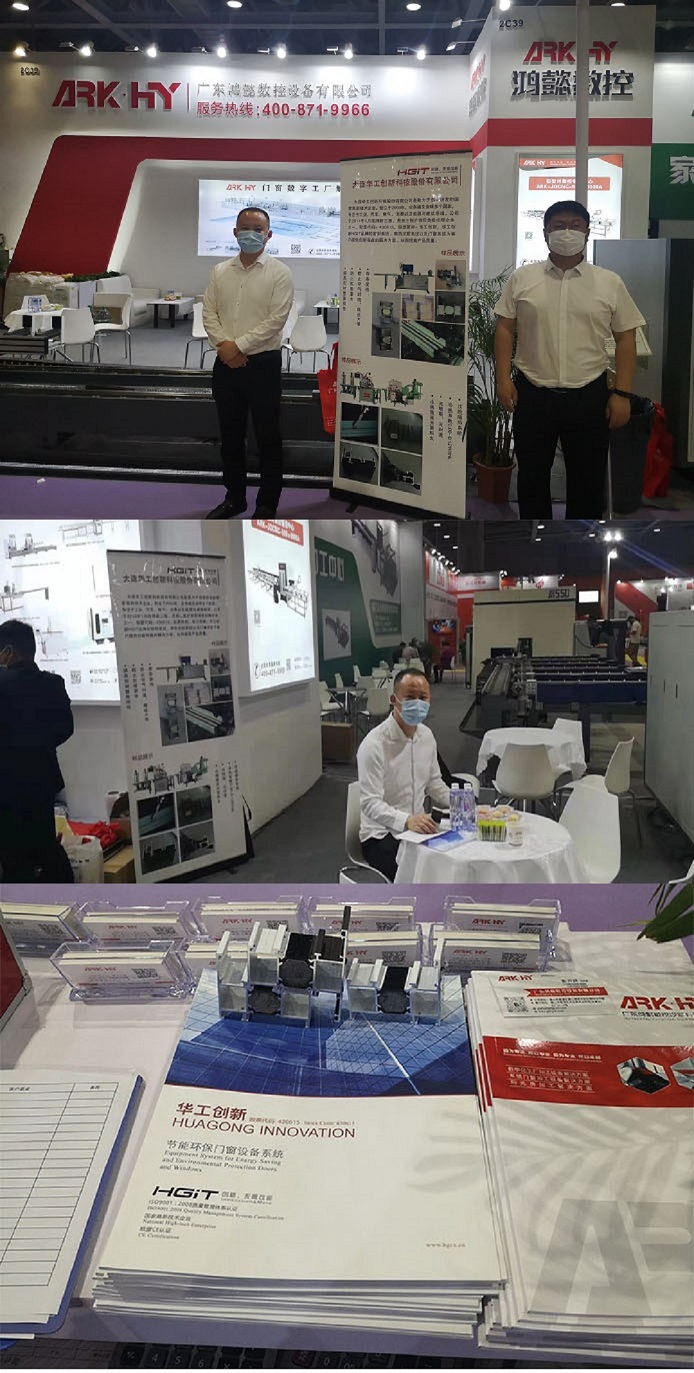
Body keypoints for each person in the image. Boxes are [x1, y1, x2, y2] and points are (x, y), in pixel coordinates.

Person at [494, 200, 646, 520]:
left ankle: (583, 542)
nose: (567, 232)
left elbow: (626, 338)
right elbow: (505, 327)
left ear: (587, 233)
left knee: (587, 480)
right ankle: (534, 538)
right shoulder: (523, 278)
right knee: (532, 475)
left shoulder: (609, 282)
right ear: (545, 233)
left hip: (588, 394)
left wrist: (622, 393)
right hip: (533, 392)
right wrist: (503, 379)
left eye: (575, 226)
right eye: (559, 226)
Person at [203, 207, 294, 519]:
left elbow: (276, 320)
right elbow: (209, 313)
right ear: (234, 232)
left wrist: (237, 346)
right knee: (230, 437)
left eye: (258, 229)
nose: (251, 234)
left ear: (269, 235)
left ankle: (267, 503)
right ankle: (235, 498)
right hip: (225, 365)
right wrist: (225, 347)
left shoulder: (280, 273)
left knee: (268, 437)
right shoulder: (220, 271)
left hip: (263, 365)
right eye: (245, 228)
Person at [356, 669, 450, 881]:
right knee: (420, 875)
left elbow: (435, 784)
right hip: (380, 835)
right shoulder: (374, 744)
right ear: (394, 700)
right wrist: (406, 820)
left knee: (452, 860)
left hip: (417, 830)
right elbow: (370, 803)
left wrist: (464, 804)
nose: (417, 703)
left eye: (423, 697)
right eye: (409, 698)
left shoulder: (426, 736)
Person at [0, 619, 75, 882]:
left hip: (6, 788)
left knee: (13, 856)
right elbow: (66, 728)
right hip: (43, 780)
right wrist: (39, 745)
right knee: (44, 842)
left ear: (8, 652)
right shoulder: (53, 683)